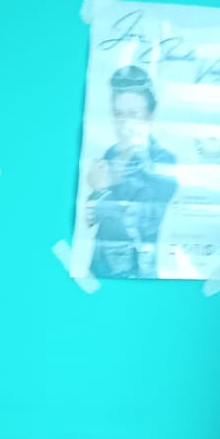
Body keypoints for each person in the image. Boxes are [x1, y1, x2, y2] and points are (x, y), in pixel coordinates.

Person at [87, 64, 178, 279]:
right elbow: (90, 219)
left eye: (133, 114)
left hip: (135, 275)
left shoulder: (163, 160)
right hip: (99, 269)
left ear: (150, 115)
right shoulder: (110, 154)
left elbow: (143, 225)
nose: (124, 123)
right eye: (118, 114)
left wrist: (100, 191)